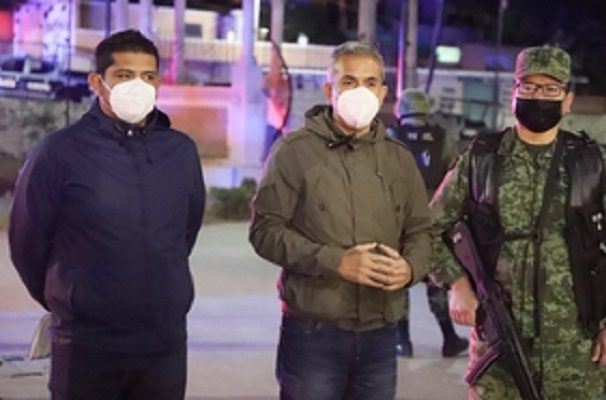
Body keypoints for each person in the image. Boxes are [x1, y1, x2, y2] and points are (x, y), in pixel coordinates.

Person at [9, 29, 205, 400]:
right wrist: (72, 300)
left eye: (148, 76)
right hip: (87, 343)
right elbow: (27, 244)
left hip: (164, 341)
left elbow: (184, 234)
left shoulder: (180, 151)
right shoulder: (59, 152)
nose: (138, 86)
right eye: (124, 75)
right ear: (97, 82)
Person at [249, 41, 432, 399]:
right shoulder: (294, 152)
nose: (360, 91)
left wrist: (411, 268)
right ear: (329, 90)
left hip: (381, 332)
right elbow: (265, 231)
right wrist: (335, 262)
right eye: (349, 82)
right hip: (314, 331)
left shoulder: (398, 158)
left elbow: (423, 231)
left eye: (370, 82)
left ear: (382, 94)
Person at [431, 45, 606, 399]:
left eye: (551, 89)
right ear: (513, 94)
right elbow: (428, 228)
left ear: (567, 100)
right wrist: (457, 284)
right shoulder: (481, 159)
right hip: (499, 348)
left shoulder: (592, 162)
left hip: (577, 354)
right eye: (529, 87)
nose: (539, 97)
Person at [392, 88, 468, 358]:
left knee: (399, 279)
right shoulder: (441, 137)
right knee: (435, 281)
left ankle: (402, 341)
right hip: (432, 221)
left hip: (399, 220)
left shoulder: (392, 136)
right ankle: (449, 339)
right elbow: (453, 175)